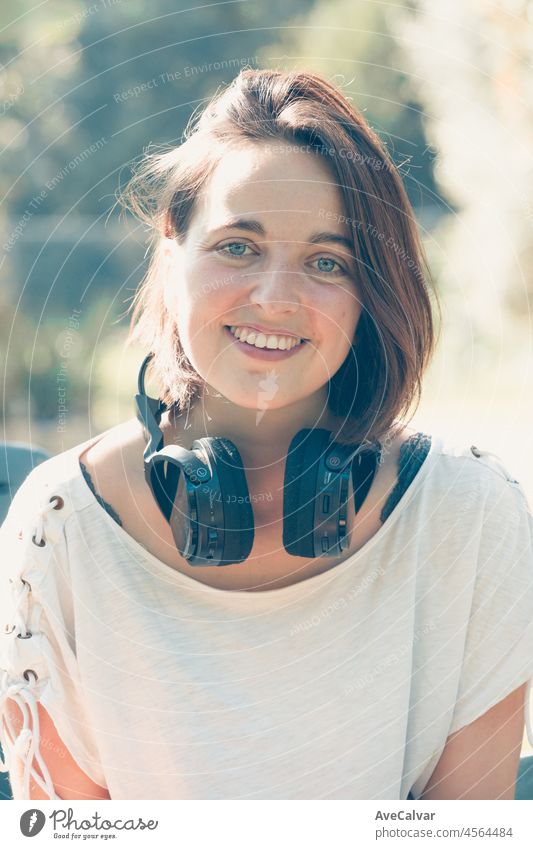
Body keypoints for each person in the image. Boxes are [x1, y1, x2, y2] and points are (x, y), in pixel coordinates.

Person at [1, 67, 533, 801]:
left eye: (326, 261)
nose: (276, 299)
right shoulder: (55, 526)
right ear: (169, 252)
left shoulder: (470, 519)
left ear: (368, 291)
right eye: (238, 247)